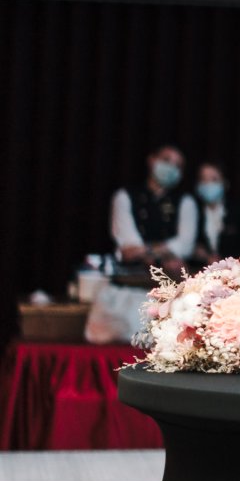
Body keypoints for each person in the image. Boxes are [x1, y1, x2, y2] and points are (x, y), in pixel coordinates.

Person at [90, 145, 198, 343]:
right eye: (166, 160)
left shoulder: (185, 202)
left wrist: (146, 251)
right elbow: (128, 245)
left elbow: (184, 245)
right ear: (152, 160)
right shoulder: (125, 196)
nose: (171, 168)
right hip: (127, 289)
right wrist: (162, 251)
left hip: (168, 291)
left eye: (177, 165)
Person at [189, 161, 240, 264]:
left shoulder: (239, 212)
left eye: (214, 179)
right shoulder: (192, 210)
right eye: (203, 179)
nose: (208, 184)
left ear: (225, 184)